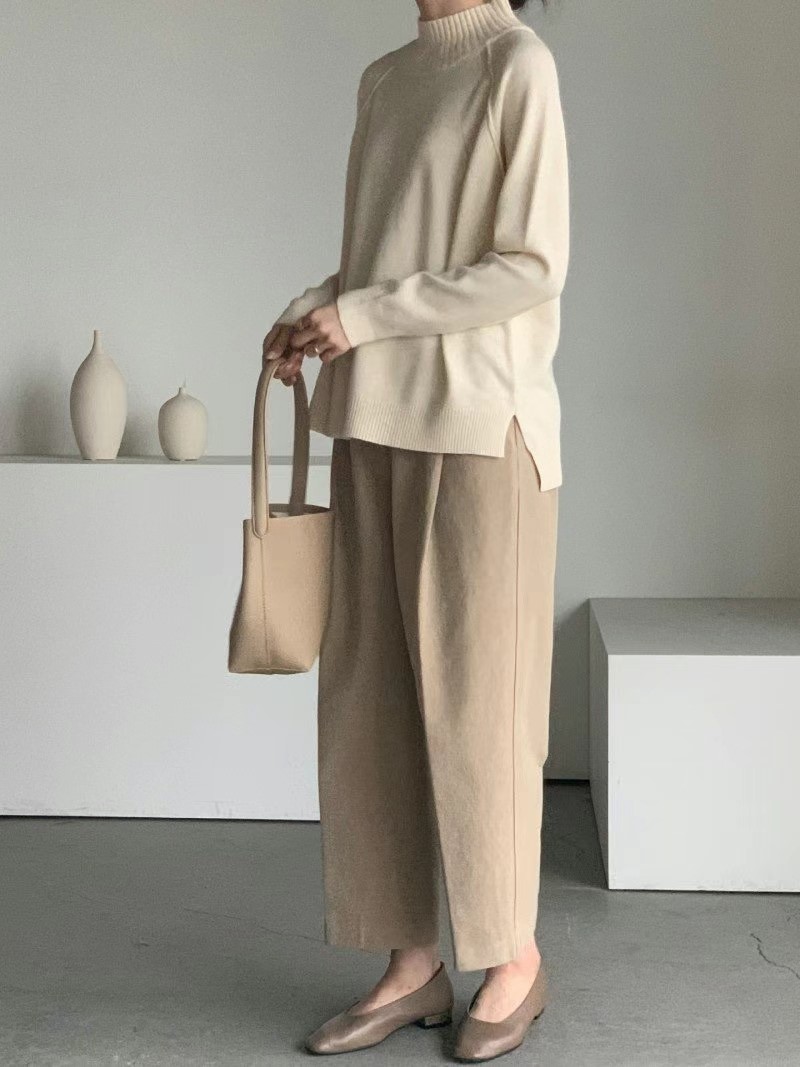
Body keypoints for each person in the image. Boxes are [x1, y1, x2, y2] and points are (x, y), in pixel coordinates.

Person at [262, 0, 568, 1060]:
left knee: (483, 705)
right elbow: (379, 255)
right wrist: (315, 310)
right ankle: (410, 961)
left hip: (481, 430)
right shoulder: (388, 78)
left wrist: (362, 316)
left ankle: (513, 957)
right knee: (372, 699)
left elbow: (531, 263)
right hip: (371, 419)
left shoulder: (517, 65)